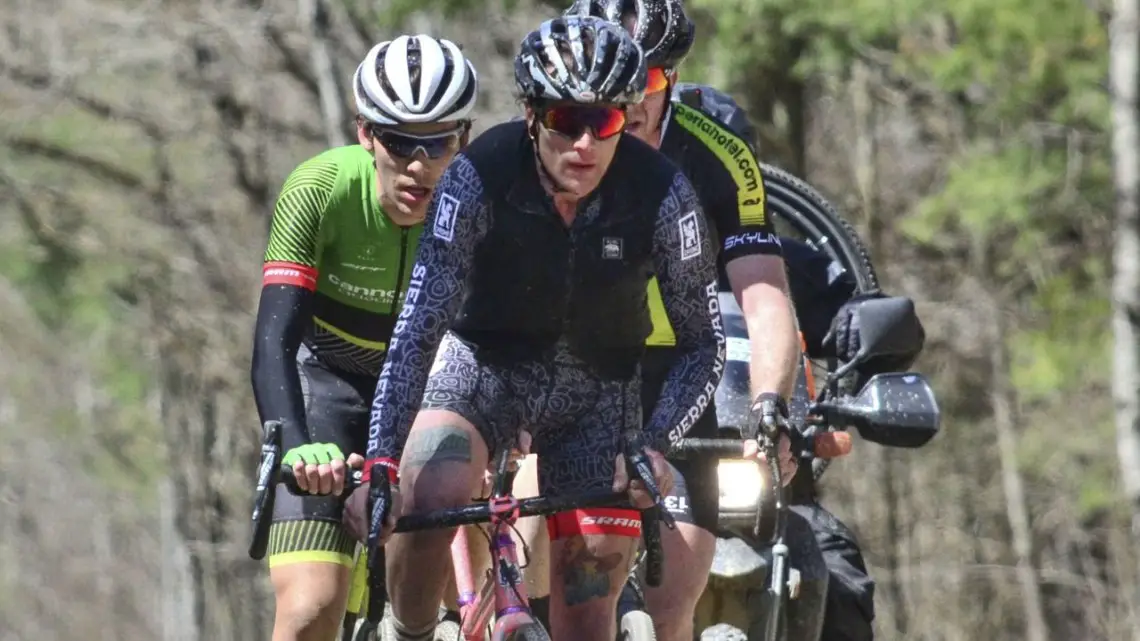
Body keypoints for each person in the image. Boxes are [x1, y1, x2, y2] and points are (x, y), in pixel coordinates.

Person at [301, 16, 727, 641]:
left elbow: (702, 342)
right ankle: (410, 630)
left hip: (600, 391)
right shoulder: (480, 174)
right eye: (564, 121)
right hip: (483, 367)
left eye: (604, 122)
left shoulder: (663, 193)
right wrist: (384, 464)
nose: (584, 144)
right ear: (531, 115)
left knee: (587, 615)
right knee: (430, 494)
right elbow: (420, 326)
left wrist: (655, 442)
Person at [502, 2, 806, 641]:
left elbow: (765, 295)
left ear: (677, 78)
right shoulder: (551, 143)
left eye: (654, 80)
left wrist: (771, 401)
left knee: (673, 609)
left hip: (677, 377)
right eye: (618, 82)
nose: (634, 99)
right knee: (535, 579)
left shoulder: (717, 156)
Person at [249, 33, 477, 641]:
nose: (419, 165)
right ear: (366, 134)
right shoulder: (319, 191)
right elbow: (273, 341)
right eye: (401, 141)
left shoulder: (489, 207)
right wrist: (296, 446)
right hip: (330, 391)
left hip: (437, 398)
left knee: (473, 602)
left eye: (439, 143)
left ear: (465, 138)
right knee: (308, 611)